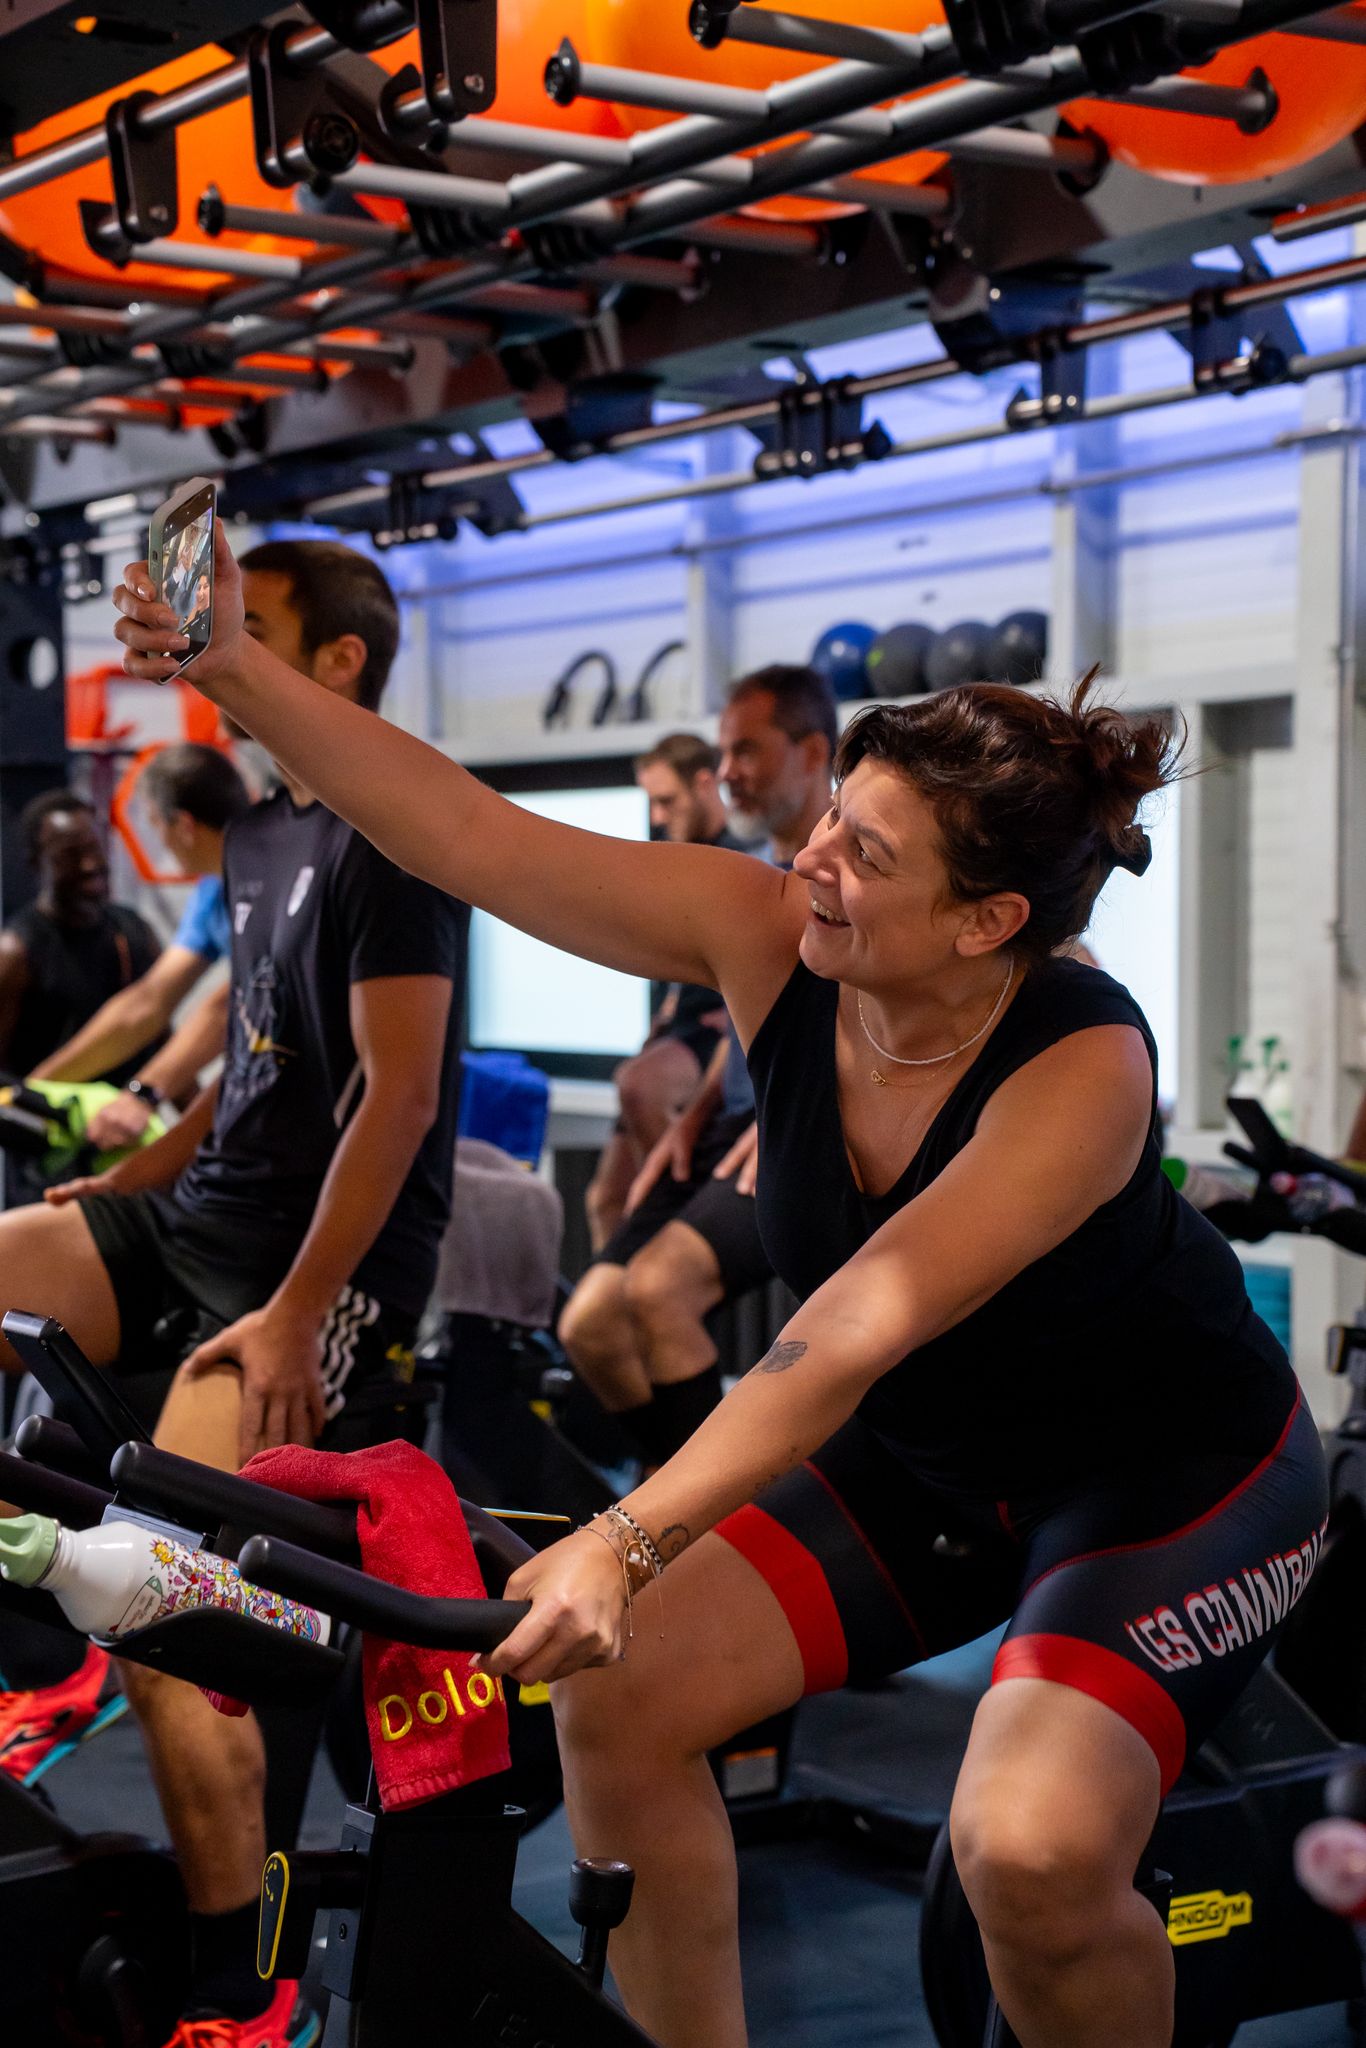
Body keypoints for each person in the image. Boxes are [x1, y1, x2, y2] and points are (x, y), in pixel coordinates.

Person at [117, 534, 1327, 2048]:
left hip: (1168, 1478)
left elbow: (853, 1324)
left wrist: (624, 1538)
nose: (812, 859)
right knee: (621, 1699)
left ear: (986, 923)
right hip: (932, 1461)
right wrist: (233, 668)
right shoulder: (772, 937)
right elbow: (470, 836)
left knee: (1027, 1854)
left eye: (866, 854)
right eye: (830, 820)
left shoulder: (1081, 1065)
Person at [6, 537, 468, 2048]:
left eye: (246, 627)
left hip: (312, 1272)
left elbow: (396, 1099)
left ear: (335, 661)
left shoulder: (400, 834)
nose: (210, 651)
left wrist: (295, 1312)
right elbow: (252, 1058)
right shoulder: (262, 831)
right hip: (200, 1220)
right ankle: (29, 1651)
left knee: (168, 1613)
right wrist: (124, 1187)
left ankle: (241, 1988)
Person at [563, 668, 835, 1464]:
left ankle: (699, 1522)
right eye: (723, 752)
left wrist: (790, 1111)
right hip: (731, 1122)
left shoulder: (851, 874)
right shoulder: (746, 872)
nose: (727, 772)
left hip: (797, 1131)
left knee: (658, 1291)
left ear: (812, 752)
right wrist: (699, 1108)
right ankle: (673, 1499)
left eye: (746, 751)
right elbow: (747, 1018)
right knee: (590, 1323)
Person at [31, 742, 251, 1152]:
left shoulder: (268, 877)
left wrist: (142, 1093)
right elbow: (148, 1001)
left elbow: (231, 1004)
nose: (159, 842)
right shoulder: (213, 890)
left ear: (183, 825)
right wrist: (34, 1089)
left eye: (154, 824)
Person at [585, 732, 743, 1251]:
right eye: (651, 802)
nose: (656, 817)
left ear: (705, 784)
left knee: (638, 1084)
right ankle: (616, 1297)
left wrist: (738, 1005)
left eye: (667, 801)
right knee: (605, 1200)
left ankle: (679, 1216)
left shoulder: (744, 862)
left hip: (714, 1039)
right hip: (675, 1031)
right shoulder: (675, 861)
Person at [0, 792, 163, 1096]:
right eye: (71, 854)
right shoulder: (15, 952)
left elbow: (161, 1038)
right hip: (44, 1118)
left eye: (95, 847)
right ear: (37, 862)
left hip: (125, 1119)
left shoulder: (133, 931)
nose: (90, 864)